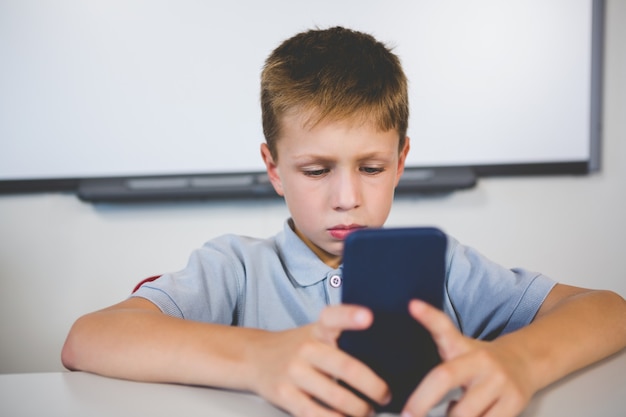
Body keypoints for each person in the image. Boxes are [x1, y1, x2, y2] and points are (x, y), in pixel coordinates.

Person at [62, 26, 626, 417]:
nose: (346, 197)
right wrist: (259, 359)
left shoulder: (444, 265)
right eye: (315, 170)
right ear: (274, 168)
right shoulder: (235, 268)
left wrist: (518, 361)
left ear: (401, 162)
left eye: (372, 167)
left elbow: (608, 310)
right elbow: (89, 339)